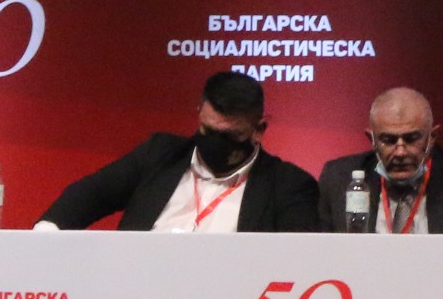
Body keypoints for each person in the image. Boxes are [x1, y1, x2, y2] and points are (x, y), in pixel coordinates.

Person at [35, 69, 321, 232]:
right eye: (208, 131)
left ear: (259, 130)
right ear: (199, 114)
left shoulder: (288, 185)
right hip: (135, 293)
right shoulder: (159, 154)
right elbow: (90, 194)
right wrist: (47, 232)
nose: (216, 143)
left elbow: (295, 264)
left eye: (230, 136)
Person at [315, 87, 443, 235]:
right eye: (389, 140)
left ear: (432, 138)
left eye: (412, 139)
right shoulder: (338, 178)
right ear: (372, 140)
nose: (400, 151)